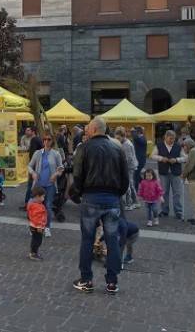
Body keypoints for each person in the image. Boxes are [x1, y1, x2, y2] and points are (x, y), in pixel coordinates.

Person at [72, 116, 129, 295]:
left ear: (95, 129)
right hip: (112, 198)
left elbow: (78, 175)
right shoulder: (117, 148)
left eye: (88, 128)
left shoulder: (84, 148)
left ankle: (86, 279)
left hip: (91, 196)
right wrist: (117, 194)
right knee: (112, 240)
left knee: (87, 239)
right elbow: (125, 177)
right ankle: (112, 282)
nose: (86, 130)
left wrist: (80, 192)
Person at [28, 130, 64, 238]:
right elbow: (29, 166)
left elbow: (61, 168)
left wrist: (56, 174)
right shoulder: (38, 153)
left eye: (49, 139)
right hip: (39, 185)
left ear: (52, 141)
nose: (46, 141)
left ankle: (47, 227)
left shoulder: (56, 154)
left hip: (50, 185)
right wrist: (33, 173)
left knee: (48, 206)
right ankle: (34, 226)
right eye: (44, 139)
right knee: (35, 206)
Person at [150, 130, 186, 220]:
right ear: (165, 137)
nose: (172, 141)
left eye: (173, 139)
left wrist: (177, 160)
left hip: (176, 172)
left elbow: (185, 157)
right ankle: (164, 211)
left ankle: (178, 212)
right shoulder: (159, 145)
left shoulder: (178, 146)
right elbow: (152, 156)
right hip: (163, 172)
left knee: (177, 193)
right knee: (164, 192)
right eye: (170, 139)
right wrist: (161, 158)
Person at [114, 127, 139, 211]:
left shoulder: (127, 144)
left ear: (123, 136)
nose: (117, 140)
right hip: (130, 166)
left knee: (127, 185)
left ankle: (129, 204)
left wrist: (120, 167)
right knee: (131, 184)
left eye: (118, 138)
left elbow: (128, 159)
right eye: (116, 138)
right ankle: (135, 202)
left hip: (129, 167)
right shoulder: (124, 143)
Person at [22, 127, 44, 210]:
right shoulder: (38, 139)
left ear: (33, 132)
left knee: (31, 185)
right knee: (33, 185)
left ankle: (28, 203)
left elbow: (33, 153)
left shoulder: (34, 140)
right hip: (38, 165)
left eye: (29, 130)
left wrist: (31, 165)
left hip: (34, 166)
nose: (26, 131)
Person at [27, 186, 47, 261]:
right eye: (43, 197)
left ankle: (33, 252)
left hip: (34, 225)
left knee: (35, 239)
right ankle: (33, 253)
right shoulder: (37, 206)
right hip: (37, 226)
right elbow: (37, 218)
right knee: (37, 240)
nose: (43, 198)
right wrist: (39, 226)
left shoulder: (33, 204)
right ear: (38, 196)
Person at [131, 127, 147, 193]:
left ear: (138, 132)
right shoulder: (139, 138)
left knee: (136, 175)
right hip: (138, 159)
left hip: (140, 160)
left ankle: (136, 190)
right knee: (137, 175)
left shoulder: (142, 138)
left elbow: (136, 138)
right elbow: (135, 139)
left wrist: (132, 131)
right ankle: (146, 184)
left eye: (136, 132)